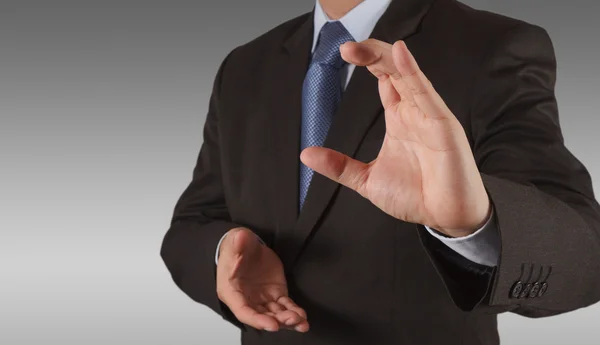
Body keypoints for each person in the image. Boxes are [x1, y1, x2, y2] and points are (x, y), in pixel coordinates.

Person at [160, 0, 600, 344]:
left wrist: (474, 225)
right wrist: (225, 251)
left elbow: (586, 259)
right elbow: (191, 224)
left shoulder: (492, 46)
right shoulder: (244, 66)